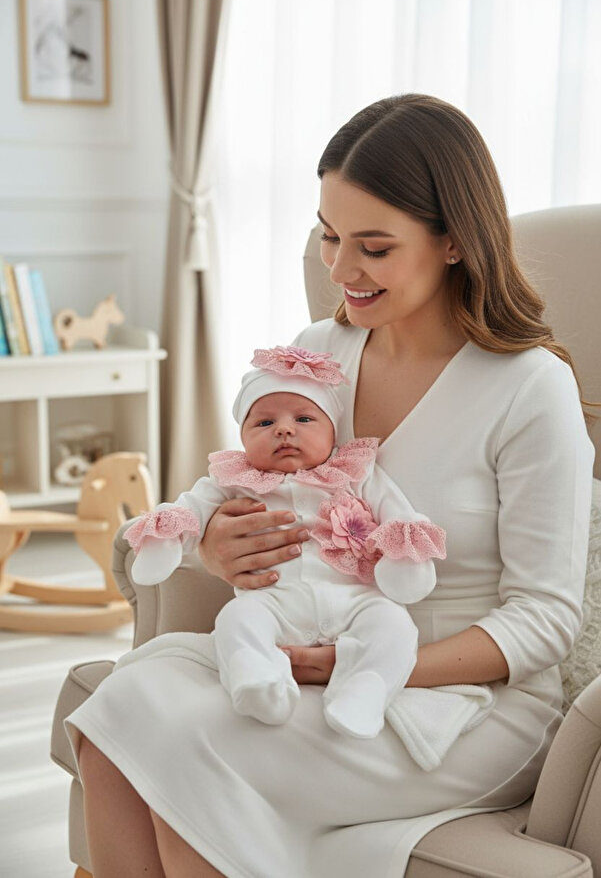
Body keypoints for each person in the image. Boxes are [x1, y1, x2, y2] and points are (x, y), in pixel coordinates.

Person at [64, 94, 595, 878]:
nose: (341, 270)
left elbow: (547, 619)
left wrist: (365, 664)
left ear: (453, 240)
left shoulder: (528, 386)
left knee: (186, 755)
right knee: (112, 716)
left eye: (373, 247)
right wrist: (218, 547)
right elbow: (243, 491)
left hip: (464, 699)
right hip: (300, 648)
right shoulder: (318, 355)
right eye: (328, 236)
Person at [122, 344, 446, 739]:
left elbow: (396, 511)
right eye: (262, 424)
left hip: (355, 598)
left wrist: (404, 556)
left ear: (333, 431)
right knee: (235, 620)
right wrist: (169, 536)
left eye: (305, 418)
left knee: (394, 625)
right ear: (241, 438)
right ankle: (258, 681)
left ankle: (363, 693)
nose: (284, 429)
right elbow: (191, 508)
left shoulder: (354, 472)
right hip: (273, 600)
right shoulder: (234, 479)